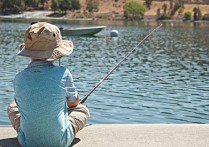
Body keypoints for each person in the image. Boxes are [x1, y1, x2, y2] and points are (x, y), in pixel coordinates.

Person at [7, 22, 90, 147]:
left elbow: (21, 103)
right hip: (60, 142)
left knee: (12, 107)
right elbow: (73, 103)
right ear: (57, 52)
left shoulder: (19, 77)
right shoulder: (63, 72)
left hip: (26, 142)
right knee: (82, 109)